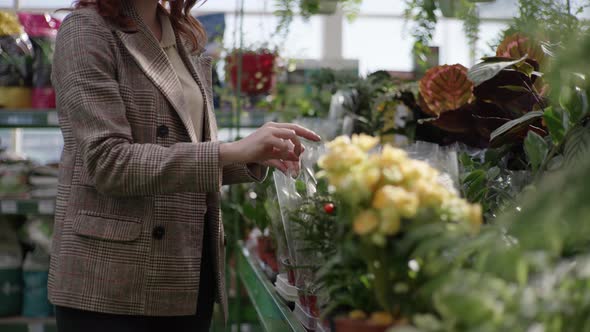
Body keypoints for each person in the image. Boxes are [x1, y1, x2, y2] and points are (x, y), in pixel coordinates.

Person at [48, 1, 320, 331]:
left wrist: (252, 155)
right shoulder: (86, 29)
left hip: (186, 269)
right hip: (113, 284)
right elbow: (109, 162)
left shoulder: (180, 34)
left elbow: (183, 147)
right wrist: (229, 151)